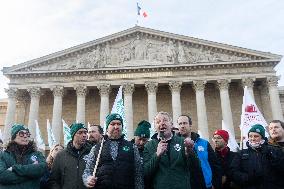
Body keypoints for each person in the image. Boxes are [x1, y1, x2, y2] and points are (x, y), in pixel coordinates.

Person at [143, 111, 206, 189]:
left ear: (171, 124)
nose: (162, 123)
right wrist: (157, 155)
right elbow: (145, 173)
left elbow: (197, 167)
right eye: (158, 122)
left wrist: (190, 152)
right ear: (155, 127)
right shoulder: (149, 146)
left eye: (165, 120)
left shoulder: (183, 141)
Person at [83, 113, 144, 189]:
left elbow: (138, 174)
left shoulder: (132, 147)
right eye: (112, 124)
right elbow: (87, 171)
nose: (116, 127)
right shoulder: (96, 148)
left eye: (119, 124)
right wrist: (87, 179)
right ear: (107, 127)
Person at [230, 124, 284, 189]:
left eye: (256, 136)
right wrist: (247, 177)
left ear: (262, 137)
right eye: (250, 136)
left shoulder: (274, 150)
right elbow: (233, 172)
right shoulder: (241, 153)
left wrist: (271, 156)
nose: (253, 139)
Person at [177, 115, 222, 189]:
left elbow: (215, 165)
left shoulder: (204, 143)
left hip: (205, 185)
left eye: (185, 123)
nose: (182, 126)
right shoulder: (173, 144)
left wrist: (215, 184)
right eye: (180, 124)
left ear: (190, 125)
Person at [0, 124, 47, 189]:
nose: (25, 136)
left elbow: (42, 168)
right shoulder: (3, 155)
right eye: (21, 134)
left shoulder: (37, 154)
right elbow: (2, 176)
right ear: (14, 137)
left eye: (27, 134)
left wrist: (15, 168)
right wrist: (31, 173)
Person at [48, 123, 91, 189]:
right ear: (73, 135)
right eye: (80, 133)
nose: (84, 135)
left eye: (85, 133)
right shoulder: (61, 155)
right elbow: (54, 180)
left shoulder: (92, 153)